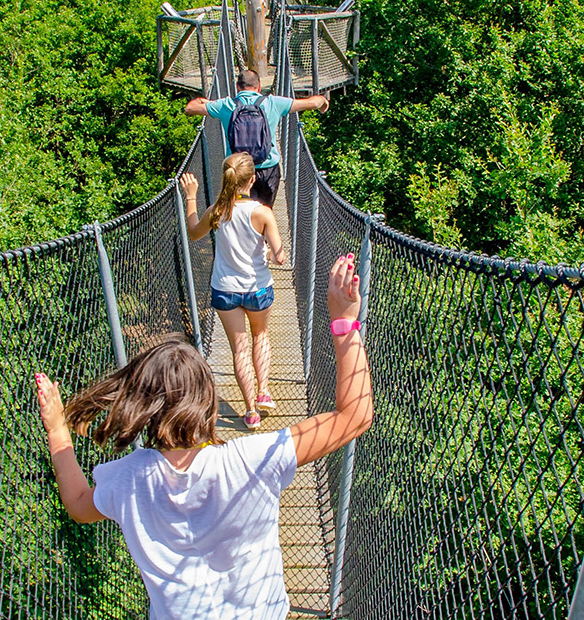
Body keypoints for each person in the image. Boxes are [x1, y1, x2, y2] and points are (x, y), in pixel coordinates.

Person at [34, 253, 373, 620]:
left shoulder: (128, 479)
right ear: (208, 399)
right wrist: (344, 323)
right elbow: (354, 416)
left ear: (142, 403)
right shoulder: (253, 460)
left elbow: (78, 505)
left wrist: (58, 431)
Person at [180, 154, 282, 429]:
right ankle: (264, 391)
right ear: (253, 179)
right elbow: (280, 255)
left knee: (240, 349)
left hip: (225, 290)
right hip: (257, 288)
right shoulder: (263, 212)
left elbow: (194, 233)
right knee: (260, 336)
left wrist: (191, 196)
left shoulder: (217, 210)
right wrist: (271, 254)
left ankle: (250, 412)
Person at [183, 69, 329, 208]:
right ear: (259, 87)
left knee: (241, 212)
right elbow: (313, 103)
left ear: (237, 87)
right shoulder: (273, 102)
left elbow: (189, 108)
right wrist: (323, 100)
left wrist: (206, 102)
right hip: (268, 169)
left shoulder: (225, 105)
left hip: (239, 169)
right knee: (265, 213)